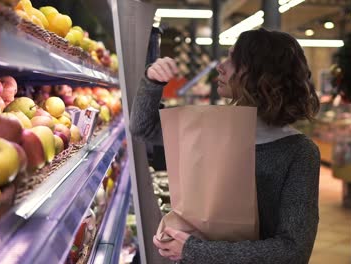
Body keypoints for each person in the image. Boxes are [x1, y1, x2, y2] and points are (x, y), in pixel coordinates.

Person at [130, 28, 321, 264]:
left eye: (234, 60)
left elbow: (293, 251)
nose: (221, 66)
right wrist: (152, 82)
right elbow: (142, 128)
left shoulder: (299, 152)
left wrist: (193, 250)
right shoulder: (210, 127)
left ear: (262, 73)